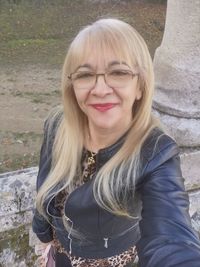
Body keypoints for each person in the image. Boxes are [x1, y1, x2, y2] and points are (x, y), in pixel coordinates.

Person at [32, 18, 200, 267]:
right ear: (72, 85)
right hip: (59, 256)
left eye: (119, 72)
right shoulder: (59, 124)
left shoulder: (156, 152)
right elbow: (45, 182)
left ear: (140, 86)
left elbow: (171, 238)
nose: (100, 89)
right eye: (85, 74)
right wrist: (42, 233)